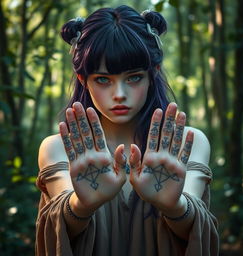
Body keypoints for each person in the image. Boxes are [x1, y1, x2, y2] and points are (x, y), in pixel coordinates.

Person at [35, 5, 219, 256]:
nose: (119, 94)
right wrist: (81, 205)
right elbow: (60, 231)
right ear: (82, 79)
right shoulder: (57, 148)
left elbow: (195, 231)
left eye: (133, 77)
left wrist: (175, 206)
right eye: (102, 79)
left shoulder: (189, 143)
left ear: (152, 73)